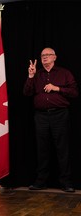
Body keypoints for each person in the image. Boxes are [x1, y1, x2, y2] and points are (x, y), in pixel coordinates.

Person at [23, 47, 78, 193]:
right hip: (41, 116)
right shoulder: (37, 74)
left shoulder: (64, 73)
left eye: (48, 55)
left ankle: (66, 182)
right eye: (42, 55)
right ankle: (41, 182)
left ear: (55, 57)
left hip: (60, 115)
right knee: (42, 149)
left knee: (62, 149)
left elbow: (74, 92)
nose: (45, 57)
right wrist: (30, 75)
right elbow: (27, 92)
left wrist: (57, 88)